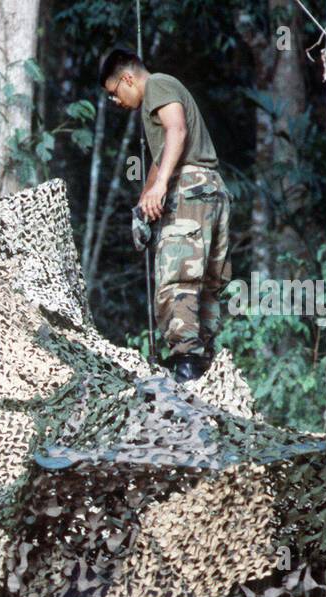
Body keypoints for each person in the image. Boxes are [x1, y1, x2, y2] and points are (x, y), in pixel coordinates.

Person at [99, 48, 231, 382]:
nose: (115, 101)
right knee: (208, 282)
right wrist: (145, 202)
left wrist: (161, 187)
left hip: (189, 186)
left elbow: (177, 131)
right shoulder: (157, 99)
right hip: (211, 189)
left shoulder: (157, 84)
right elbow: (163, 155)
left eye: (114, 93)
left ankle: (185, 363)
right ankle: (203, 364)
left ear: (128, 78)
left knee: (179, 277)